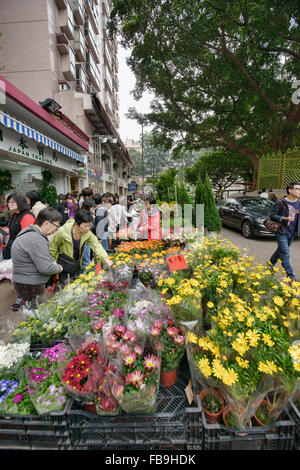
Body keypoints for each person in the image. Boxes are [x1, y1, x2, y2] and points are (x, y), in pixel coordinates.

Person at [11, 207, 63, 309]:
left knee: (31, 312)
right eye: (56, 226)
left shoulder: (29, 232)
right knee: (37, 316)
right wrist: (59, 268)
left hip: (24, 281)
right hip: (30, 284)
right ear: (46, 223)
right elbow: (45, 268)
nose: (56, 230)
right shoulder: (37, 239)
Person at [49, 209, 113, 286]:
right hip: (63, 263)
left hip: (76, 264)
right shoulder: (62, 232)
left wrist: (106, 259)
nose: (88, 228)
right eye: (85, 226)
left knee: (76, 285)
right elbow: (53, 247)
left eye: (90, 225)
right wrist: (53, 262)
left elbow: (96, 246)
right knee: (64, 286)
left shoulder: (87, 233)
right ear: (77, 224)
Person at [268, 181, 300, 281]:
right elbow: (272, 215)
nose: (299, 191)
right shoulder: (281, 202)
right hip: (281, 232)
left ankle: (270, 264)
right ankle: (291, 277)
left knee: (280, 251)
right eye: (297, 189)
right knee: (285, 253)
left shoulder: (299, 203)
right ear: (290, 190)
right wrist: (283, 218)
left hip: (293, 232)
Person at [81, 198, 96, 269]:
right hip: (84, 237)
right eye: (92, 207)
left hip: (87, 237)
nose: (93, 208)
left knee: (87, 257)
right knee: (85, 259)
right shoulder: (84, 215)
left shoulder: (85, 213)